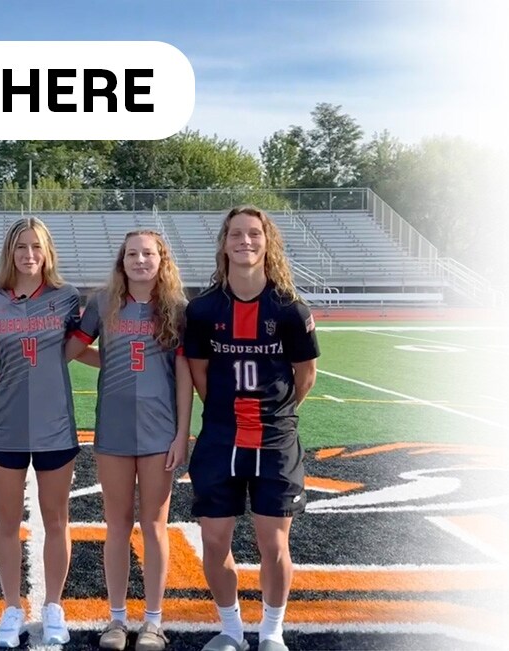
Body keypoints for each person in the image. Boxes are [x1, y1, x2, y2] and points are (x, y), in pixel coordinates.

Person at [183, 206, 320, 651]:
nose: (245, 241)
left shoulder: (290, 309)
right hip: (220, 438)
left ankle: (271, 632)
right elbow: (200, 374)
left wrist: (274, 414)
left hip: (275, 440)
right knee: (214, 539)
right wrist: (228, 414)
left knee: (273, 542)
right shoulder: (203, 309)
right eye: (236, 234)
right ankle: (232, 630)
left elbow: (305, 375)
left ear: (267, 242)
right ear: (224, 244)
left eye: (254, 234)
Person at [65, 230, 193, 651]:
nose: (140, 260)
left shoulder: (177, 308)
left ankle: (153, 621)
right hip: (114, 429)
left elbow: (184, 377)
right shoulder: (103, 303)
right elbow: (71, 349)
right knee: (117, 525)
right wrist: (13, 366)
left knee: (154, 525)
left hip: (160, 431)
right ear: (122, 261)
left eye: (148, 254)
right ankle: (117, 619)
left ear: (162, 259)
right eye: (132, 254)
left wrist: (182, 434)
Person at [0, 217, 91, 648]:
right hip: (6, 424)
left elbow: (74, 349)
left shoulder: (66, 297)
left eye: (36, 246)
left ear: (47, 252)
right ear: (10, 252)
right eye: (21, 247)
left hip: (55, 423)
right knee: (5, 521)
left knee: (56, 519)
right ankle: (11, 607)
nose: (29, 254)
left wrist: (132, 361)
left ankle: (53, 606)